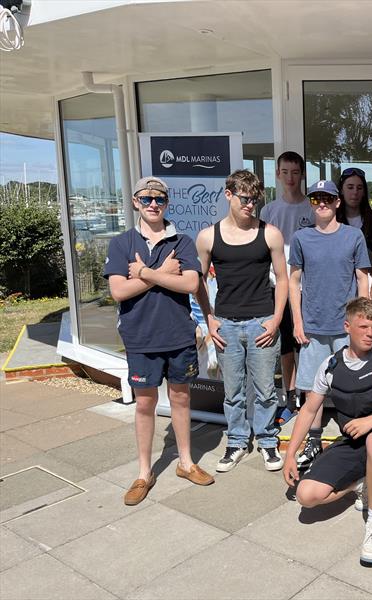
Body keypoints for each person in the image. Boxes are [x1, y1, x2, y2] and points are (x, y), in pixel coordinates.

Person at [104, 176, 214, 505]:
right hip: (140, 338)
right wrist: (165, 273)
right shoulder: (121, 243)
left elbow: (191, 284)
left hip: (178, 334)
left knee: (180, 400)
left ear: (167, 203)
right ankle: (143, 473)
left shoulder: (181, 241)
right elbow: (118, 291)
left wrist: (146, 274)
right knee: (145, 404)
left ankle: (185, 462)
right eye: (147, 198)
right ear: (135, 202)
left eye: (160, 199)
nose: (154, 204)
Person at [283, 298, 372, 567]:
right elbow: (309, 411)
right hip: (355, 441)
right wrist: (290, 454)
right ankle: (361, 483)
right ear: (347, 327)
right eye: (363, 327)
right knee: (306, 496)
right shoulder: (331, 366)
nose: (370, 333)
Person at [196, 170, 288, 474]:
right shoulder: (209, 236)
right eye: (244, 198)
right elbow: (197, 282)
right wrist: (209, 319)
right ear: (228, 195)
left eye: (254, 199)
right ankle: (236, 441)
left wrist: (275, 320)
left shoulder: (270, 233)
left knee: (265, 390)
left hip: (262, 322)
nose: (250, 204)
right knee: (232, 391)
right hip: (227, 325)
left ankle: (266, 440)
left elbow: (284, 280)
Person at [289, 179, 372, 470]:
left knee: (354, 386)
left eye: (327, 198)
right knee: (313, 390)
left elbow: (363, 279)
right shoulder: (302, 238)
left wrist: (362, 322)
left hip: (346, 326)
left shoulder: (354, 236)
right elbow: (294, 280)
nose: (321, 203)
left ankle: (357, 437)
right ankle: (314, 440)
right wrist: (297, 322)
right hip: (312, 326)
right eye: (315, 199)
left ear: (338, 202)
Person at [259, 151, 314, 423]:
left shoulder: (312, 208)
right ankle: (289, 396)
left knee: (304, 342)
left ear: (302, 174)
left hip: (306, 288)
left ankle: (308, 396)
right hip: (277, 286)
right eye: (285, 172)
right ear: (278, 174)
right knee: (285, 346)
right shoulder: (269, 210)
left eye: (296, 172)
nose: (290, 178)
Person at [336, 167, 372, 257]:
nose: (355, 192)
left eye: (359, 188)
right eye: (350, 187)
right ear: (342, 190)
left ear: (364, 192)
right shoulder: (332, 222)